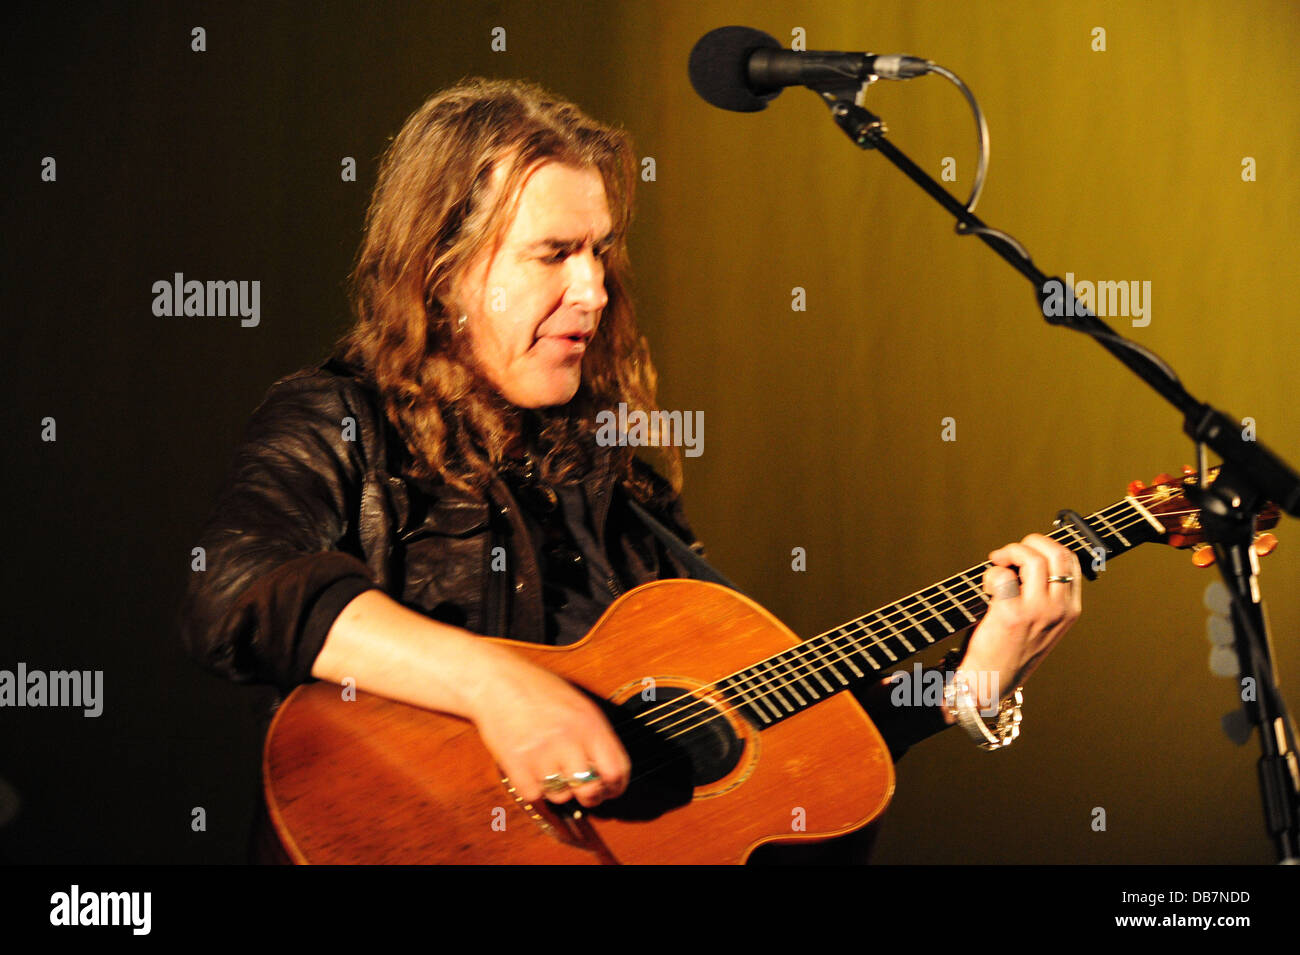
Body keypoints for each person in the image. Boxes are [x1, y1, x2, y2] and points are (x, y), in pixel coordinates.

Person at [180, 77, 1082, 863]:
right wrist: (498, 686)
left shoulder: (619, 484)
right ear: (443, 269)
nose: (595, 290)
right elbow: (236, 588)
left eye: (600, 251)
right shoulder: (340, 419)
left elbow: (767, 754)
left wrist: (968, 687)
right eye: (553, 254)